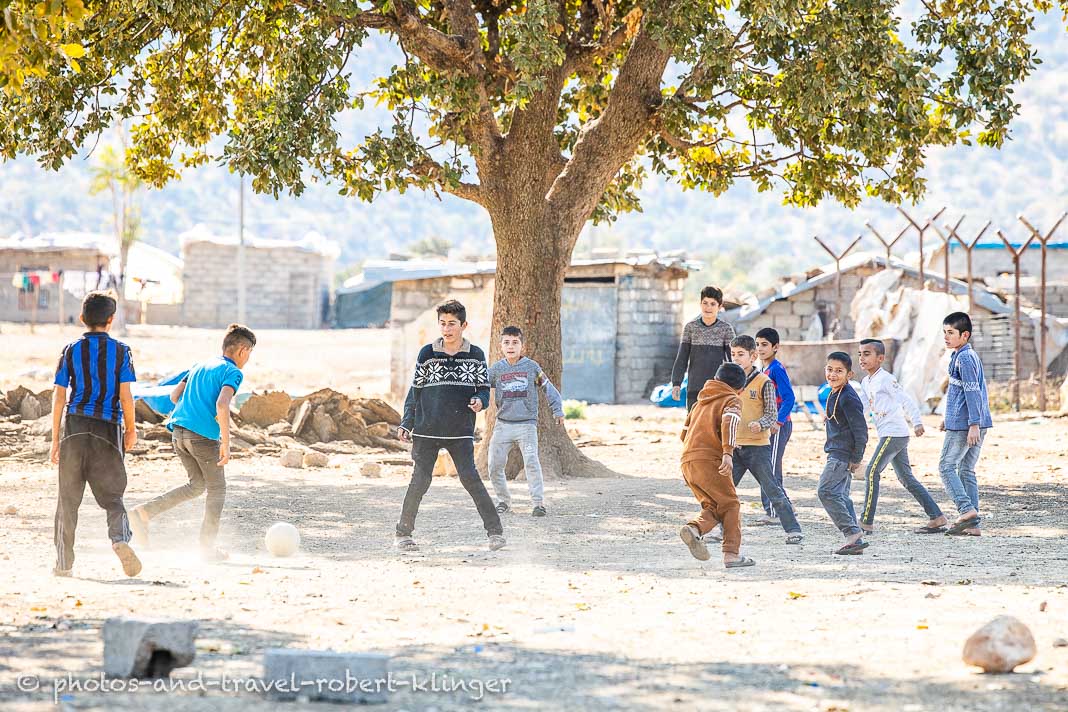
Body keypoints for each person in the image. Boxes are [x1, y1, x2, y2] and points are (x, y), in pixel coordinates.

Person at [129, 324, 256, 561]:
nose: (248, 359)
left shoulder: (200, 365)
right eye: (249, 353)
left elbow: (174, 396)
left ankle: (143, 513)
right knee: (217, 490)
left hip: (178, 433)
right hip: (203, 439)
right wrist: (226, 444)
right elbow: (222, 404)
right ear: (242, 350)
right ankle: (207, 548)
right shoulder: (233, 372)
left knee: (196, 485)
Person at [395, 300, 505, 552]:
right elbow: (416, 390)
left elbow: (482, 390)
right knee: (420, 481)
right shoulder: (427, 353)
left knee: (471, 479)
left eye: (452, 324)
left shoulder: (475, 354)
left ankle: (495, 533)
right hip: (426, 429)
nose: (447, 329)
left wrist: (480, 401)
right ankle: (403, 534)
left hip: (460, 430)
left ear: (463, 325)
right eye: (443, 324)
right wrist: (406, 422)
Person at [50, 290, 141, 577]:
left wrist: (55, 439)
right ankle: (119, 540)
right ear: (111, 320)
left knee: (67, 499)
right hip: (107, 428)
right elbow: (126, 396)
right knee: (113, 497)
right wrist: (131, 429)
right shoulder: (122, 351)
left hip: (75, 428)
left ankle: (64, 565)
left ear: (82, 318)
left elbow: (58, 396)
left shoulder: (70, 350)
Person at [856, 339, 947, 535]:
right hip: (888, 433)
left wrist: (917, 422)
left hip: (894, 433)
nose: (862, 358)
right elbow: (862, 406)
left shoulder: (886, 379)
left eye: (867, 354)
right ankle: (936, 516)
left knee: (872, 472)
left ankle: (866, 521)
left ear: (880, 358)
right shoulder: (865, 382)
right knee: (907, 479)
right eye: (860, 354)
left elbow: (905, 399)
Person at [678, 363, 756, 569]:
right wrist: (728, 453)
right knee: (731, 504)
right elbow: (730, 421)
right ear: (740, 389)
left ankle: (694, 529)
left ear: (715, 379)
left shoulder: (699, 403)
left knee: (713, 506)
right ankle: (731, 554)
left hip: (688, 461)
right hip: (710, 460)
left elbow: (683, 434)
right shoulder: (731, 399)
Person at [728, 335, 804, 544]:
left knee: (772, 488)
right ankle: (716, 529)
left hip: (758, 447)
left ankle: (793, 529)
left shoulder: (764, 382)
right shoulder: (727, 382)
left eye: (741, 355)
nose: (736, 359)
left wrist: (760, 424)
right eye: (733, 354)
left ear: (753, 356)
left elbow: (772, 413)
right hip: (735, 446)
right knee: (724, 490)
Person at [487, 326, 565, 517]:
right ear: (501, 346)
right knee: (494, 465)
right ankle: (503, 500)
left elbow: (548, 387)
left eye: (515, 342)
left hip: (526, 425)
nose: (511, 346)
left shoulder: (531, 367)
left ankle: (538, 503)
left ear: (522, 345)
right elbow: (479, 388)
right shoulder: (496, 369)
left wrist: (558, 410)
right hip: (502, 425)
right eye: (506, 342)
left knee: (531, 462)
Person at [939, 312, 993, 537]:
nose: (946, 337)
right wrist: (947, 416)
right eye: (944, 332)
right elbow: (959, 393)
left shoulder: (965, 358)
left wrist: (973, 425)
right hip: (968, 421)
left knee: (946, 467)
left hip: (966, 425)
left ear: (965, 335)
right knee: (966, 470)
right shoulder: (958, 356)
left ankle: (966, 510)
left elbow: (973, 393)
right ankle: (973, 525)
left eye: (951, 333)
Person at [818, 352, 869, 555]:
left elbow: (861, 430)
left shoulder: (848, 397)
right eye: (829, 370)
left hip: (842, 455)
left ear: (849, 374)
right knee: (841, 495)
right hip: (836, 451)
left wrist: (856, 458)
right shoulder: (834, 392)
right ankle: (855, 538)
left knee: (826, 492)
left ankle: (852, 533)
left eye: (839, 371)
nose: (832, 374)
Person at [754, 327, 796, 526]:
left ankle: (774, 512)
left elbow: (789, 398)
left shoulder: (777, 369)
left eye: (764, 345)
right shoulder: (762, 370)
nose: (760, 348)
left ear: (775, 347)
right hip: (768, 425)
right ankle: (785, 507)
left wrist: (778, 422)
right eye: (757, 344)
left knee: (769, 468)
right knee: (768, 466)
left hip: (778, 426)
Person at [671, 286, 736, 412]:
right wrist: (676, 383)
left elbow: (734, 359)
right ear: (700, 304)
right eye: (705, 303)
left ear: (719, 306)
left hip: (717, 387)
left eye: (713, 304)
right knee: (693, 425)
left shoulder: (726, 329)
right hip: (694, 387)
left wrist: (735, 384)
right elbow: (682, 357)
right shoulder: (691, 328)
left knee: (714, 427)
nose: (708, 307)